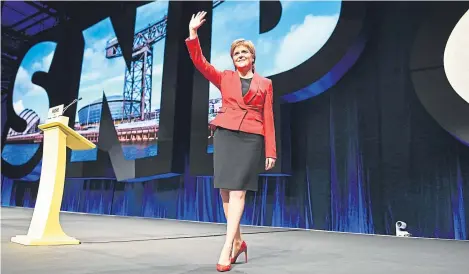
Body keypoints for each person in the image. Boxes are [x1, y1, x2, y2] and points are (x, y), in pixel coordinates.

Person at [186, 11, 277, 272]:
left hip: (251, 137)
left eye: (244, 53)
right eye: (236, 54)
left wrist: (271, 150)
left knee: (238, 191)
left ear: (252, 57)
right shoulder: (225, 77)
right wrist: (193, 34)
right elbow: (200, 63)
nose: (240, 56)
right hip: (225, 134)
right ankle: (238, 241)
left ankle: (227, 247)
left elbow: (268, 117)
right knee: (226, 190)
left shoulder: (265, 84)